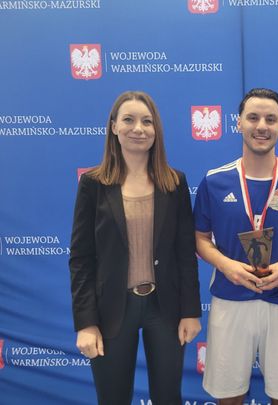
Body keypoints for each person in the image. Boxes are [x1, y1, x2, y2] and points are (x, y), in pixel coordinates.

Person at [69, 91, 202, 405]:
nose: (138, 128)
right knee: (113, 399)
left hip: (165, 309)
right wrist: (86, 323)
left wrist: (190, 312)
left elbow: (185, 253)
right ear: (114, 126)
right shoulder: (93, 184)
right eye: (128, 120)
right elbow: (81, 259)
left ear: (156, 130)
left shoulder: (174, 183)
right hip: (111, 310)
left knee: (168, 398)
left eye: (147, 121)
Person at [194, 88, 278, 405]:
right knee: (228, 395)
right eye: (253, 117)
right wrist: (226, 265)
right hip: (230, 298)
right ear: (238, 123)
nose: (261, 126)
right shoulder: (214, 181)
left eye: (270, 119)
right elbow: (200, 239)